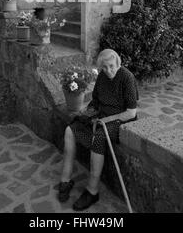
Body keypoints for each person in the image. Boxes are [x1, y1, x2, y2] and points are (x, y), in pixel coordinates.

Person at [58, 49, 139, 211]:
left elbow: (131, 112)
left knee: (99, 138)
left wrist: (105, 121)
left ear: (118, 63)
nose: (108, 71)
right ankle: (65, 180)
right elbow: (95, 101)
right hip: (101, 117)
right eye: (104, 67)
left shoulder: (127, 78)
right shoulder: (102, 77)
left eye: (111, 66)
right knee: (70, 130)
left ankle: (92, 191)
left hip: (119, 120)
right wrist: (87, 113)